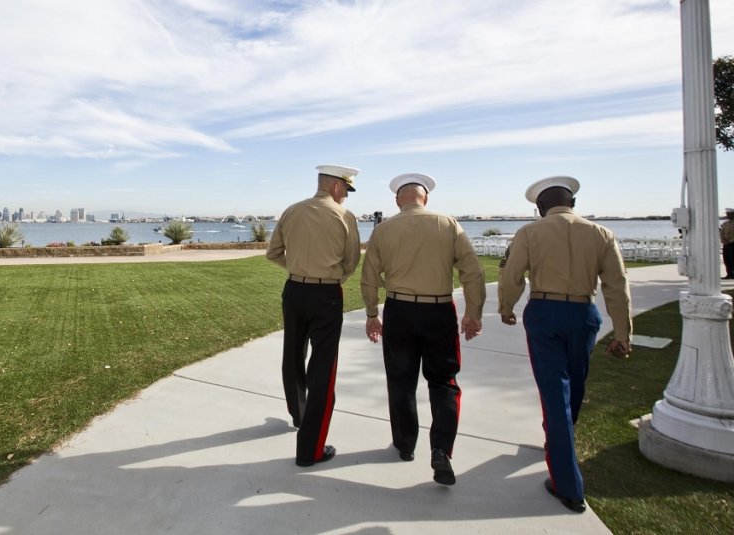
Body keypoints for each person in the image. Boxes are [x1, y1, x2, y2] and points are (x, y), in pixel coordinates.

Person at [498, 176, 632, 513]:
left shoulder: (530, 233)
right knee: (574, 386)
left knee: (555, 393)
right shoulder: (601, 234)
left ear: (541, 206)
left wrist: (506, 307)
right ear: (572, 203)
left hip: (545, 311)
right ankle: (559, 442)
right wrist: (622, 332)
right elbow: (617, 285)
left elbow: (513, 275)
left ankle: (567, 485)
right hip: (584, 313)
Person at [360, 173, 485, 486]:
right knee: (444, 382)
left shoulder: (383, 230)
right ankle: (441, 448)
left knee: (401, 381)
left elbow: (369, 276)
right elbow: (472, 271)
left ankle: (405, 445)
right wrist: (473, 313)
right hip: (439, 310)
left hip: (400, 310)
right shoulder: (448, 224)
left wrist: (373, 314)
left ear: (397, 200)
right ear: (425, 197)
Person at [266, 164, 362, 467]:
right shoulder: (344, 216)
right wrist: (329, 275)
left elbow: (272, 253)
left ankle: (299, 414)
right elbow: (351, 261)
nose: (346, 196)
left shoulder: (292, 211)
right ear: (336, 186)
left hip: (294, 290)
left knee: (293, 354)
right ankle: (311, 449)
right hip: (326, 294)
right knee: (323, 367)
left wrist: (299, 268)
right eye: (346, 189)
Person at [722, 208, 734, 279]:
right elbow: (721, 233)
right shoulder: (725, 224)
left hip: (732, 244)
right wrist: (723, 241)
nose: (728, 215)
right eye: (727, 214)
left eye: (729, 214)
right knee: (726, 260)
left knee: (732, 259)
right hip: (726, 245)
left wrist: (730, 241)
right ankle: (729, 274)